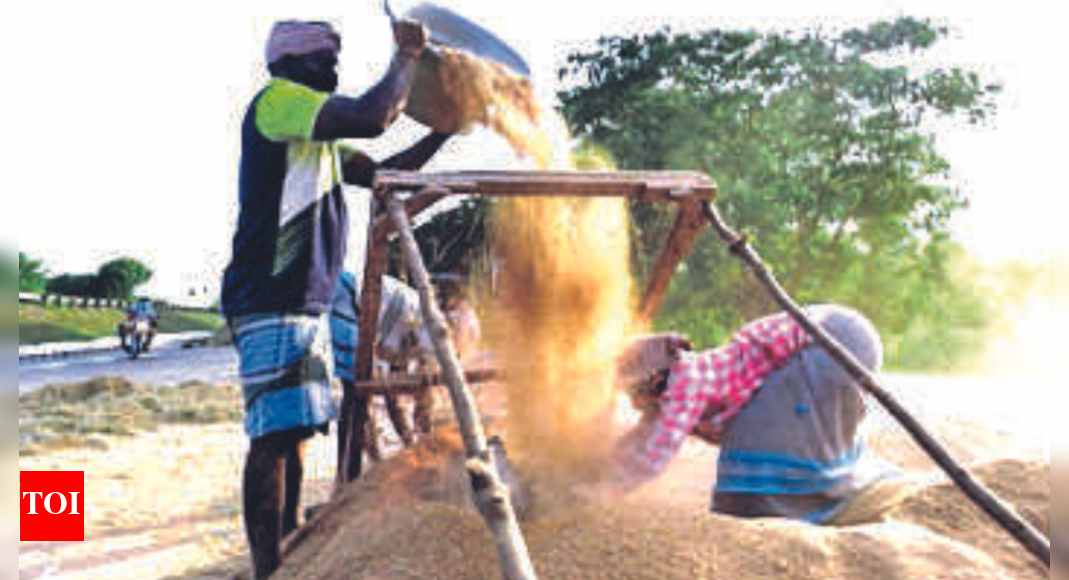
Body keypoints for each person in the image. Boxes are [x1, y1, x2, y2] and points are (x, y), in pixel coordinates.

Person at [220, 18, 454, 580]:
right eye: (325, 62)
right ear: (294, 65)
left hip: (305, 297)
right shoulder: (278, 103)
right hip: (272, 292)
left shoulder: (317, 138)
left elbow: (385, 175)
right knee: (274, 435)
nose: (333, 71)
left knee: (297, 428)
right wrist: (407, 56)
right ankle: (267, 568)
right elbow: (375, 116)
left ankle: (289, 544)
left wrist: (444, 132)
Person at [602, 304, 901, 525]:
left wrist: (601, 493)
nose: (632, 400)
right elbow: (641, 438)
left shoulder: (685, 382)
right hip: (838, 338)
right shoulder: (678, 388)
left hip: (834, 340)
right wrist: (598, 464)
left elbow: (654, 456)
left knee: (750, 439)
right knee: (776, 427)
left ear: (653, 379)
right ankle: (836, 495)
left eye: (631, 391)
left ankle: (821, 508)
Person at [331, 272, 437, 451]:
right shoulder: (422, 325)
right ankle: (358, 461)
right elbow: (400, 387)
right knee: (356, 395)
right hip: (347, 299)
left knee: (362, 394)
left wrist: (410, 444)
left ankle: (368, 457)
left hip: (358, 302)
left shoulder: (413, 332)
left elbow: (394, 394)